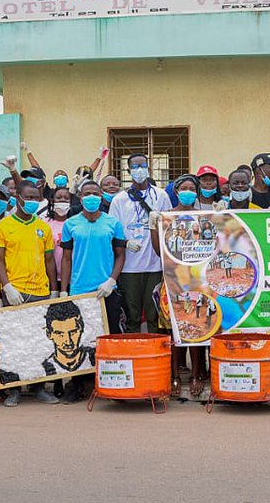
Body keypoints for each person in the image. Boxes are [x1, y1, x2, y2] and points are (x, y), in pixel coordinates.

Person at [0, 179, 61, 405]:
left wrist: (53, 290)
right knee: (14, 341)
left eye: (35, 198)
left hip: (40, 292)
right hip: (15, 292)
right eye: (28, 197)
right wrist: (7, 287)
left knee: (39, 342)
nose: (32, 201)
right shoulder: (3, 227)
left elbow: (50, 260)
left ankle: (39, 387)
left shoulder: (43, 227)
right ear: (18, 198)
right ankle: (14, 390)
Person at [150, 175, 209, 395]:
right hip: (171, 279)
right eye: (183, 188)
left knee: (195, 329)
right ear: (176, 191)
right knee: (171, 331)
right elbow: (158, 251)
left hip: (196, 280)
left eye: (191, 188)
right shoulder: (167, 216)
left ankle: (195, 375)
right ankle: (174, 375)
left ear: (197, 191)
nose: (187, 191)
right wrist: (153, 226)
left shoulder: (205, 216)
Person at [60, 178, 127, 363]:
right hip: (79, 290)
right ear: (80, 198)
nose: (91, 197)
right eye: (87, 194)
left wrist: (112, 280)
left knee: (109, 334)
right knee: (81, 336)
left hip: (106, 289)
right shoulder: (70, 224)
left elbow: (120, 255)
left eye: (95, 194)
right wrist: (64, 290)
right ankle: (80, 381)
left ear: (101, 197)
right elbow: (66, 258)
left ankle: (108, 375)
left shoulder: (112, 223)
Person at [108, 154, 171, 332]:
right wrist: (126, 242)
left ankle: (156, 355)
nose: (139, 170)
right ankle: (133, 354)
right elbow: (113, 232)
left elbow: (168, 228)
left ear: (148, 168)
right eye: (134, 167)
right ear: (128, 171)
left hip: (155, 265)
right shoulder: (119, 200)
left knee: (154, 315)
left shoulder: (161, 196)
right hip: (129, 267)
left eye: (142, 165)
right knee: (132, 316)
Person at [41, 299, 96, 375]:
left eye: (73, 332)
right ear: (49, 334)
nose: (68, 341)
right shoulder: (45, 369)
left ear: (81, 328)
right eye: (59, 333)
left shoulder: (94, 357)